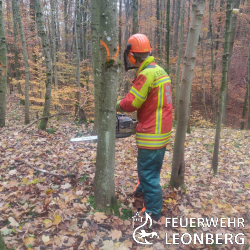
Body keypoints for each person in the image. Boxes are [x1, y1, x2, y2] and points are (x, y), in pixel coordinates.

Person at [116, 34, 173, 221]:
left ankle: (153, 212)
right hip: (161, 130)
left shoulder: (146, 74)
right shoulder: (159, 70)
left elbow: (132, 103)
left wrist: (114, 105)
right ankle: (142, 190)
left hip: (152, 133)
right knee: (149, 168)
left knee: (149, 173)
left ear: (132, 56)